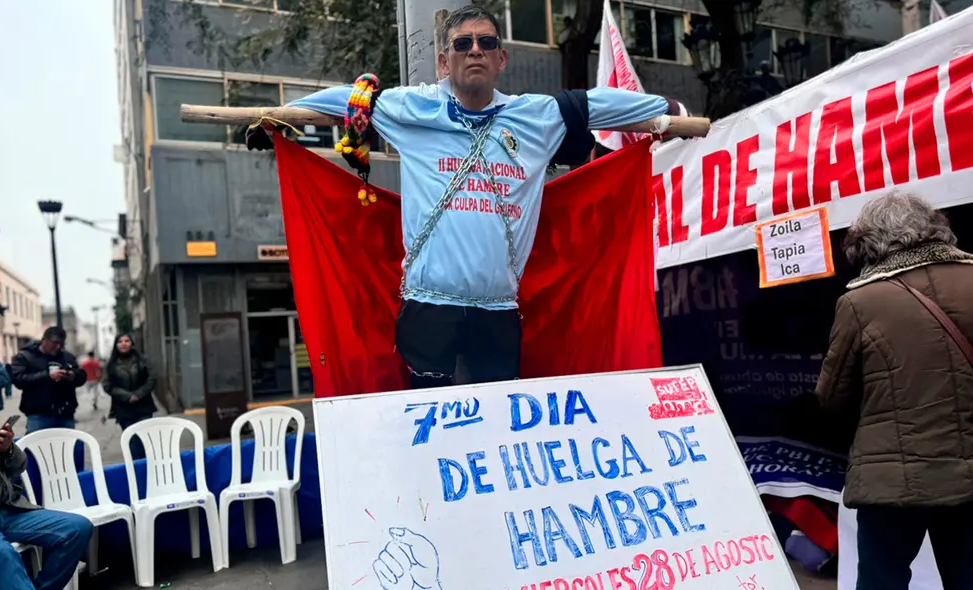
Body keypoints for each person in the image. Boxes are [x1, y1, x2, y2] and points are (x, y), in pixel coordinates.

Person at [250, 5, 676, 389]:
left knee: (497, 422)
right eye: (463, 43)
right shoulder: (414, 109)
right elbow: (348, 100)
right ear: (443, 61)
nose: (475, 50)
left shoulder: (536, 116)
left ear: (500, 59)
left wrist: (669, 110)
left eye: (486, 42)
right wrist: (274, 118)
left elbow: (598, 104)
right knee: (428, 423)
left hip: (498, 311)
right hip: (428, 308)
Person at [814, 193, 973, 590]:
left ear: (870, 241)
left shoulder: (860, 300)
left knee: (882, 581)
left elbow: (831, 398)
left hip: (890, 482)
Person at [0, 374, 94, 590]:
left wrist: (7, 449)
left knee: (77, 528)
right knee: (2, 554)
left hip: (6, 510)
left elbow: (17, 467)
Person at [9, 327, 86, 433]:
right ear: (44, 340)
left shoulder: (67, 357)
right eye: (54, 343)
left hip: (65, 413)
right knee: (37, 447)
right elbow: (19, 380)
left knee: (66, 448)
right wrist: (47, 376)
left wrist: (71, 375)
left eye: (61, 344)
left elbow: (82, 376)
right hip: (38, 414)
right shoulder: (25, 356)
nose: (58, 347)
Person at [102, 334, 156, 460]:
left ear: (132, 343)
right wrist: (127, 396)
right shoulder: (111, 364)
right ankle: (137, 470)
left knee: (145, 439)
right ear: (116, 345)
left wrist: (138, 394)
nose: (124, 343)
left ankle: (149, 466)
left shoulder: (142, 360)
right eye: (120, 341)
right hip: (123, 408)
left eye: (127, 341)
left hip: (144, 405)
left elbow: (152, 379)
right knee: (132, 441)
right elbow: (107, 385)